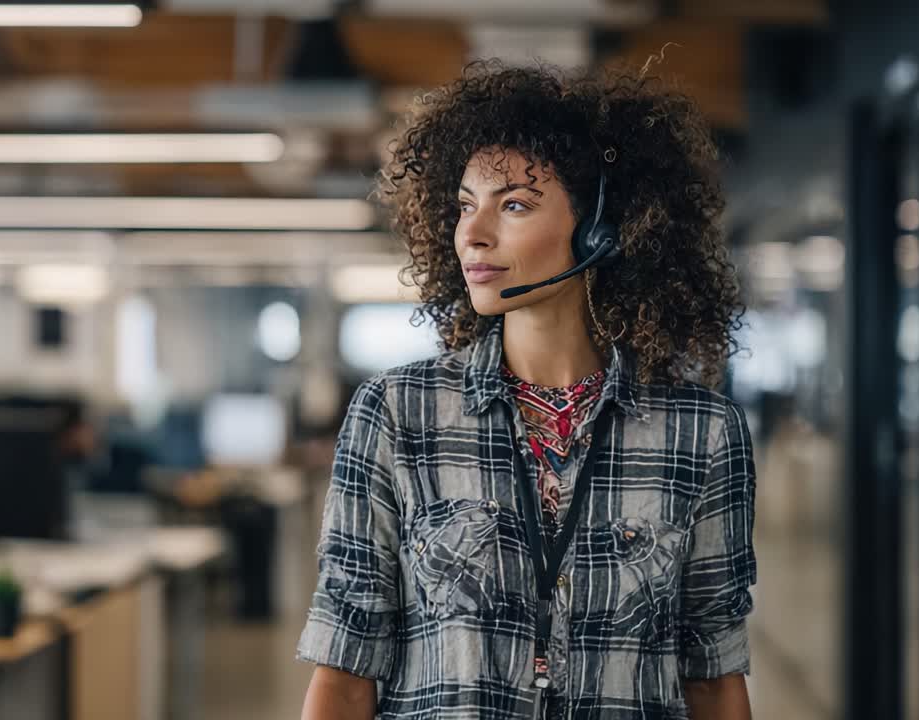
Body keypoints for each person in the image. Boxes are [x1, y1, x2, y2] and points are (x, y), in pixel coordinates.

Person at [299, 61, 756, 720]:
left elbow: (713, 677)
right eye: (464, 205)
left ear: (602, 229)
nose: (473, 233)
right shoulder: (399, 413)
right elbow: (344, 672)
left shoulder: (702, 432)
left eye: (513, 204)